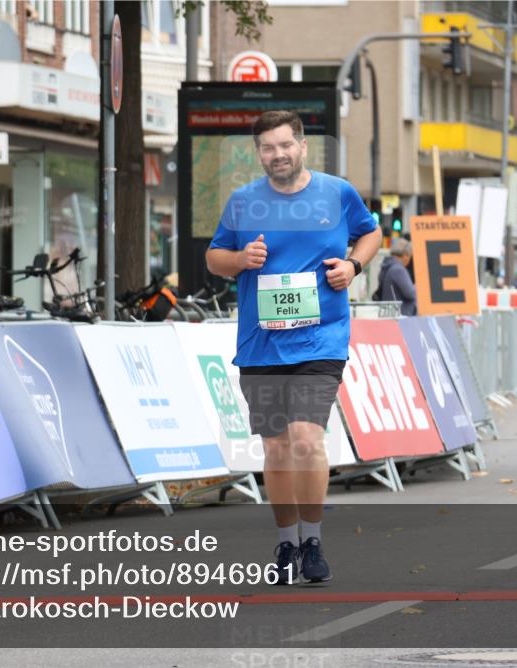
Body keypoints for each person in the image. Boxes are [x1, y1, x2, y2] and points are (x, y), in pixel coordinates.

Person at [205, 110, 382, 585]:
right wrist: (241, 259)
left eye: (285, 145)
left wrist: (354, 266)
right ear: (258, 153)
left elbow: (370, 232)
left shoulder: (336, 192)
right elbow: (214, 257)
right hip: (261, 345)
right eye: (267, 147)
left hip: (320, 338)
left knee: (307, 440)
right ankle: (286, 542)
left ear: (302, 146)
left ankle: (313, 540)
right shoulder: (244, 202)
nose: (277, 154)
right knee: (278, 449)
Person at [375, 238, 417, 315]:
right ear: (405, 255)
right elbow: (411, 294)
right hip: (401, 314)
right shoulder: (398, 270)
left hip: (390, 312)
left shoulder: (386, 266)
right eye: (410, 256)